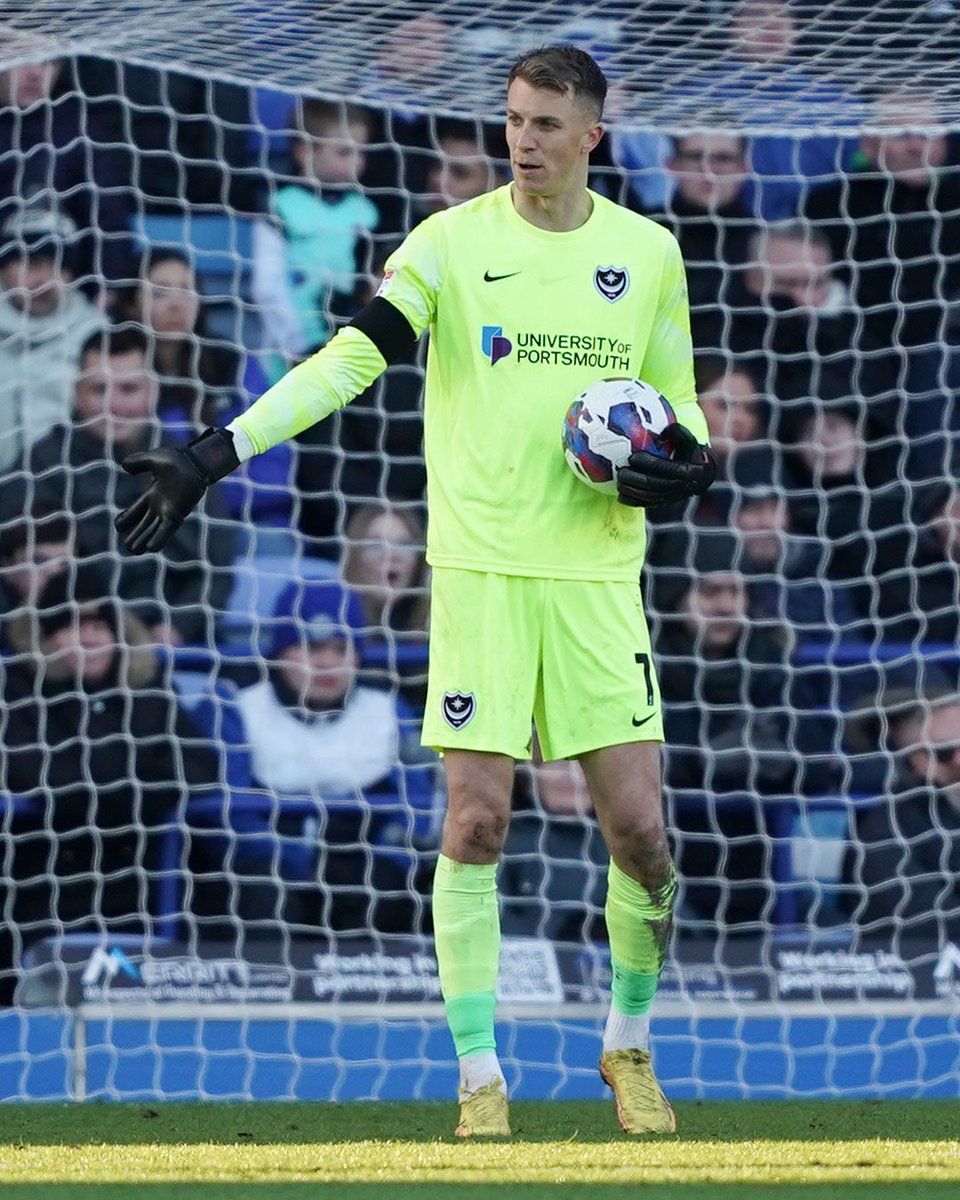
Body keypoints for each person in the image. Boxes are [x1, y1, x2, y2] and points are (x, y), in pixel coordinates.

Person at [114, 46, 717, 1137]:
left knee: (639, 836)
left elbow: (677, 402)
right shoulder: (449, 243)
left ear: (592, 135)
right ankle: (480, 1076)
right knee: (477, 822)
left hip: (596, 577)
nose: (520, 141)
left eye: (544, 124)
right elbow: (354, 356)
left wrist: (692, 455)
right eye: (512, 119)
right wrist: (214, 452)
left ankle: (628, 1044)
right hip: (479, 572)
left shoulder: (650, 253)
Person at [0, 561, 218, 1004]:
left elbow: (199, 765)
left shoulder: (149, 688)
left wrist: (101, 781)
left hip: (144, 874)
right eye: (72, 625)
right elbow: (34, 777)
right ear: (47, 636)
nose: (90, 638)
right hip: (47, 879)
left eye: (100, 624)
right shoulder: (18, 691)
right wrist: (138, 780)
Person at [2, 325, 235, 645]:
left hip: (159, 646)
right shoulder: (40, 466)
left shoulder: (188, 467)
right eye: (99, 390)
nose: (114, 405)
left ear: (153, 392)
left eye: (128, 389)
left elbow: (216, 570)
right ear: (76, 392)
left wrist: (175, 629)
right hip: (57, 643)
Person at [654, 529, 837, 925]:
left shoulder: (772, 661)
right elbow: (665, 766)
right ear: (677, 596)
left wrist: (717, 758)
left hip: (763, 873)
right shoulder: (649, 666)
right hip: (665, 866)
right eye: (709, 592)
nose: (724, 607)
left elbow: (817, 765)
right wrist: (742, 754)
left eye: (734, 592)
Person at [127, 246, 294, 534]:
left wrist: (191, 486)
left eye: (186, 289)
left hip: (245, 522)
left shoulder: (235, 363)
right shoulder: (118, 371)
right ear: (132, 303)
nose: (176, 303)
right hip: (152, 522)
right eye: (161, 292)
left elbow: (276, 472)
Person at [252, 99, 379, 381]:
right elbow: (267, 285)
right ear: (304, 150)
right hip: (290, 350)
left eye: (361, 152)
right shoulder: (280, 207)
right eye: (344, 152)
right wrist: (298, 343)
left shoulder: (366, 213)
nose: (356, 162)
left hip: (347, 346)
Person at [0, 46, 133, 287]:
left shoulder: (81, 131)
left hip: (68, 295)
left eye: (48, 63)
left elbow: (108, 218)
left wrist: (105, 287)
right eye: (23, 58)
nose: (35, 73)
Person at [844, 687, 960, 948]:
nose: (959, 761)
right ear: (917, 761)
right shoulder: (887, 825)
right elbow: (919, 917)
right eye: (944, 753)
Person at [0, 207, 106, 472]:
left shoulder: (96, 334)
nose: (44, 280)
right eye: (32, 264)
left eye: (57, 266)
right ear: (5, 269)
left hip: (69, 493)